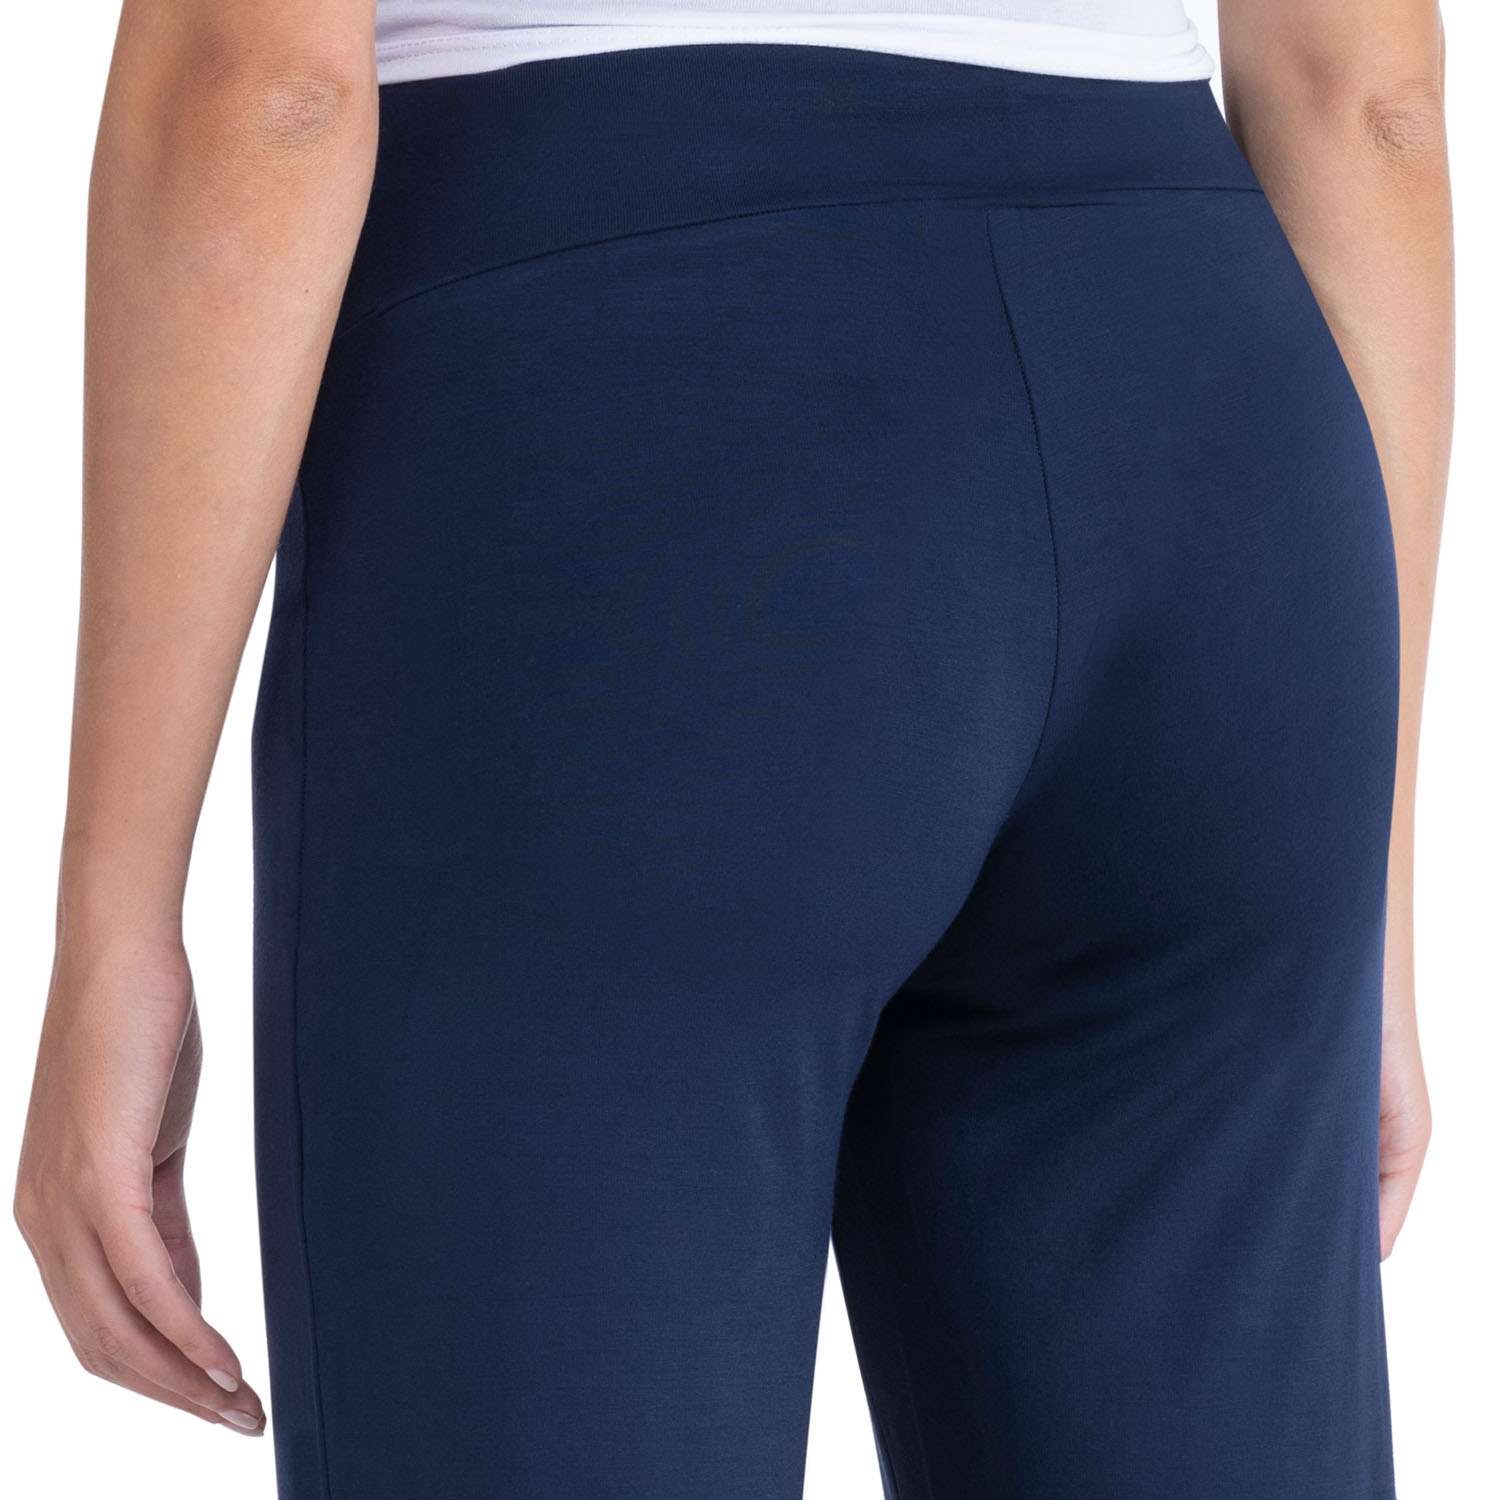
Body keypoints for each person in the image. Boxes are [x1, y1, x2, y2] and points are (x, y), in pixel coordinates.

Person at [14, 2, 1452, 1496]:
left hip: (622, 450)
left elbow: (262, 88)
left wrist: (118, 921)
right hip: (1210, 458)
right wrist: (1376, 900)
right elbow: (1368, 100)